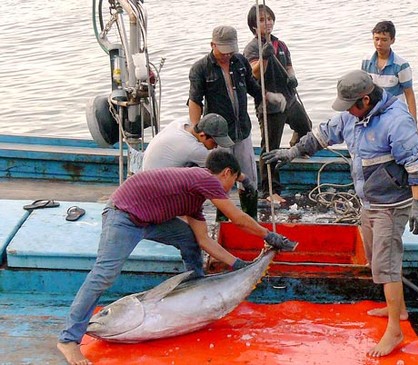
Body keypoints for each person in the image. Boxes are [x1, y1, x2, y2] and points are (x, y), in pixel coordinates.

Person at [57, 150, 296, 365]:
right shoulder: (205, 179)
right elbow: (237, 218)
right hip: (123, 216)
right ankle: (69, 339)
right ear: (226, 173)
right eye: (233, 182)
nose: (231, 188)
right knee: (104, 275)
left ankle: (195, 289)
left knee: (189, 239)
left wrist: (239, 265)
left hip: (149, 220)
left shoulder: (195, 196)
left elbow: (204, 241)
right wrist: (270, 236)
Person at [262, 70, 418, 357]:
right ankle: (397, 310)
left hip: (391, 204)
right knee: (377, 257)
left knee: (385, 264)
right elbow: (324, 133)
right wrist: (290, 153)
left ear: (365, 100)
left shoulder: (396, 121)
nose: (348, 112)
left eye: (351, 105)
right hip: (369, 201)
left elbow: (416, 162)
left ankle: (395, 330)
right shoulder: (352, 116)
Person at [188, 25, 266, 221]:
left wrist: (268, 97)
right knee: (221, 179)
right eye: (224, 51)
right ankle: (222, 220)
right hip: (219, 134)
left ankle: (250, 218)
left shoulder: (240, 61)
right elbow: (195, 101)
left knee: (248, 176)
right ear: (212, 45)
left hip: (242, 130)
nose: (227, 55)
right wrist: (197, 129)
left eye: (231, 51)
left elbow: (253, 88)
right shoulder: (200, 69)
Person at [243, 4, 311, 203]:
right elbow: (254, 74)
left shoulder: (280, 44)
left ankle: (295, 146)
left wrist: (293, 77)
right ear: (254, 26)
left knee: (305, 125)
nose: (268, 23)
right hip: (269, 104)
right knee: (270, 147)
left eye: (270, 18)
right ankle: (270, 189)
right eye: (262, 20)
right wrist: (263, 58)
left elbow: (289, 66)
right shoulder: (252, 48)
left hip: (288, 98)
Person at [142, 112, 256, 197]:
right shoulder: (193, 149)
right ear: (202, 135)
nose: (216, 146)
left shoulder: (183, 123)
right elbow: (224, 169)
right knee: (210, 175)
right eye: (215, 142)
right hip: (156, 190)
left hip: (148, 177)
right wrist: (245, 180)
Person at [361, 20, 418, 123]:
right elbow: (363, 89)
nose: (379, 44)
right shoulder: (366, 61)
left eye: (384, 40)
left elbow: (409, 94)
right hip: (373, 114)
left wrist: (413, 121)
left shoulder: (401, 65)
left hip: (395, 114)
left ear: (392, 40)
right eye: (376, 39)